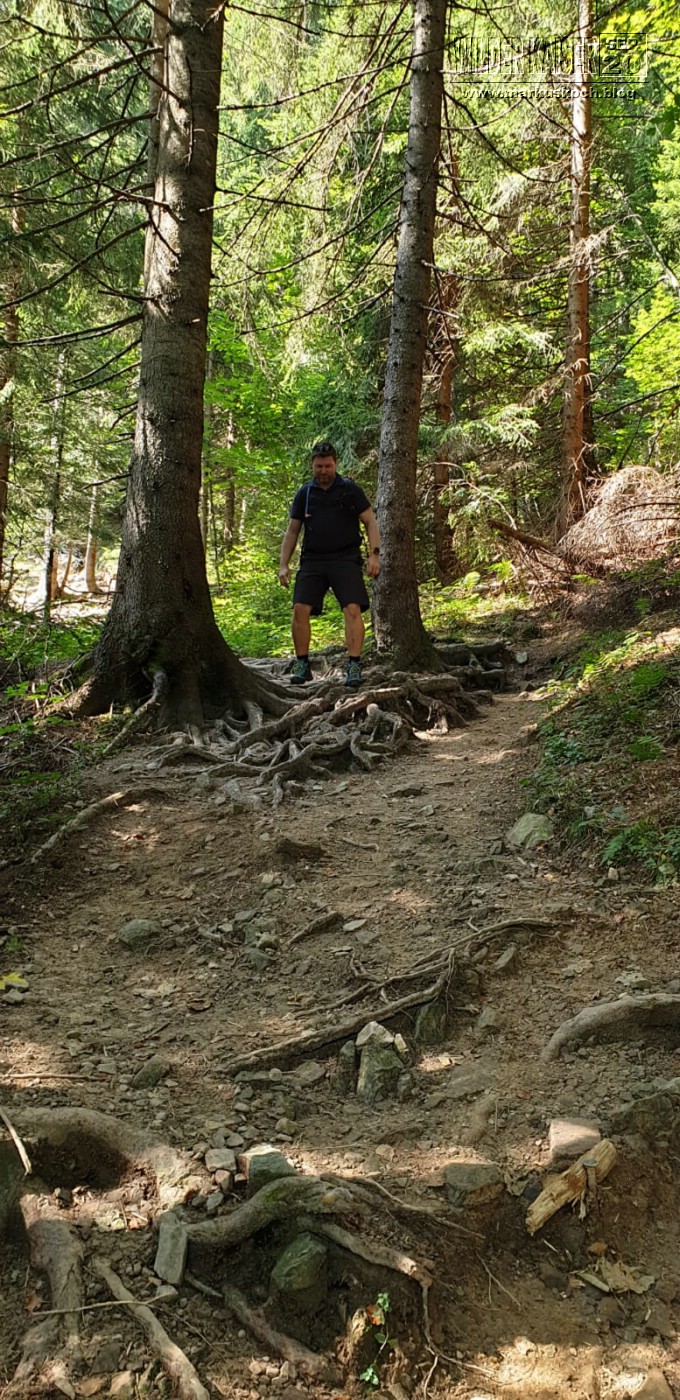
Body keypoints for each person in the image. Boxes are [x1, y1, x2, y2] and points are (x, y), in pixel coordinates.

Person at [279, 440, 381, 688]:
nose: (323, 471)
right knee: (300, 609)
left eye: (327, 466)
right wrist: (284, 564)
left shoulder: (349, 490)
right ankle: (302, 664)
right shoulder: (305, 494)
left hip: (345, 559)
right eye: (319, 466)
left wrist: (374, 555)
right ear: (312, 466)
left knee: (352, 609)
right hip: (313, 560)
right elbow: (292, 531)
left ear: (335, 464)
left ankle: (354, 665)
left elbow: (370, 521)